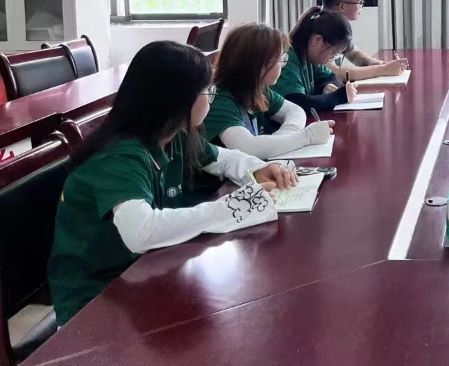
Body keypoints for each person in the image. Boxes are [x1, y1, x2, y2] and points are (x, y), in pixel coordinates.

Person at [48, 41, 297, 325]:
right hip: (94, 303)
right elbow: (141, 232)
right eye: (207, 91)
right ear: (177, 99)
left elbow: (223, 159)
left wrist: (259, 169)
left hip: (147, 273)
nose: (212, 98)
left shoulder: (173, 135)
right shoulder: (119, 157)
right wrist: (229, 209)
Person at [201, 24, 334, 159]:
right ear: (258, 64)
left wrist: (280, 141)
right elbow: (248, 148)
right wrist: (306, 137)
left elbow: (295, 111)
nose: (282, 65)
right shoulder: (220, 99)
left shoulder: (257, 87)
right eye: (280, 60)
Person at [320, 0, 408, 81]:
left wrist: (381, 64)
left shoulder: (337, 25)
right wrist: (383, 69)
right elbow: (337, 73)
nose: (362, 5)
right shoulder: (319, 28)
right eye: (360, 1)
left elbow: (354, 54)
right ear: (342, 7)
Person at [273, 10, 358, 111]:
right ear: (317, 40)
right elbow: (297, 103)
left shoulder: (310, 56)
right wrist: (339, 96)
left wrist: (325, 86)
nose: (332, 58)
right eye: (333, 52)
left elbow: (332, 78)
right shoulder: (286, 59)